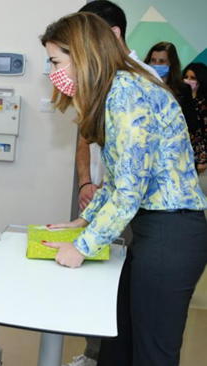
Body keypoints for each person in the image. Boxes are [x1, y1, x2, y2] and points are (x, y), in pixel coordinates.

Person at [40, 12, 207, 366]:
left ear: (82, 55)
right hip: (155, 231)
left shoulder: (128, 93)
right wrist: (84, 222)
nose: (53, 71)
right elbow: (117, 180)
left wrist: (81, 248)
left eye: (56, 61)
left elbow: (129, 191)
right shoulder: (119, 91)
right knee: (119, 340)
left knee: (151, 354)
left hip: (171, 233)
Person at [64, 2, 160, 364]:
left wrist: (84, 239)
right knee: (110, 294)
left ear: (111, 35)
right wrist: (87, 191)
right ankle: (96, 354)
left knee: (136, 318)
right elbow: (91, 141)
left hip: (146, 215)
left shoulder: (134, 83)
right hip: (110, 198)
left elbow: (131, 186)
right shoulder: (107, 82)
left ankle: (97, 353)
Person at [75, 0, 161, 213]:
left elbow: (132, 156)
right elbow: (85, 137)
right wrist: (85, 183)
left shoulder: (140, 80)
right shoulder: (100, 79)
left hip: (127, 200)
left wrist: (104, 192)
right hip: (96, 193)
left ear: (114, 33)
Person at [144, 42, 198, 136]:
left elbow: (192, 124)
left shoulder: (183, 89)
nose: (156, 65)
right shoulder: (140, 86)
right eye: (153, 60)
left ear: (171, 63)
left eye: (162, 61)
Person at [183, 62, 207, 174]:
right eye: (186, 77)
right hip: (180, 152)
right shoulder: (180, 99)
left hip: (197, 156)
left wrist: (202, 159)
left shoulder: (203, 103)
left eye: (192, 78)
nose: (188, 80)